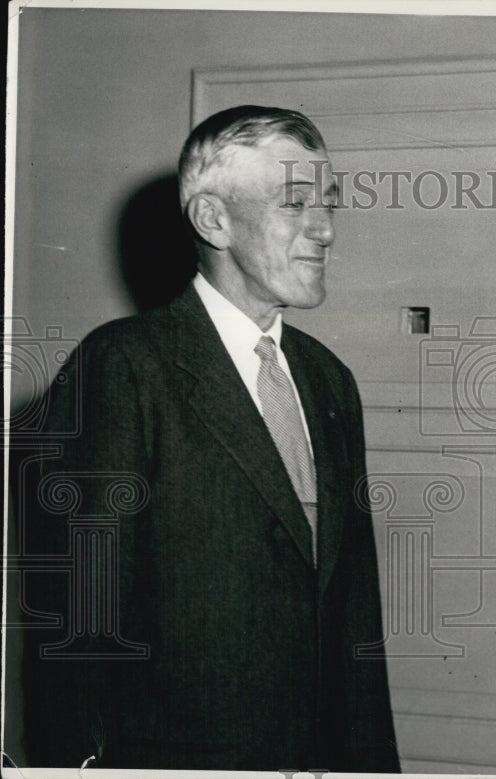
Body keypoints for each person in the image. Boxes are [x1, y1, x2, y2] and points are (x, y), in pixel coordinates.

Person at [22, 105, 400, 771]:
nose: (325, 228)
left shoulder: (329, 380)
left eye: (330, 203)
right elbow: (78, 618)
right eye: (296, 201)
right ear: (213, 218)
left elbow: (356, 615)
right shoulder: (123, 366)